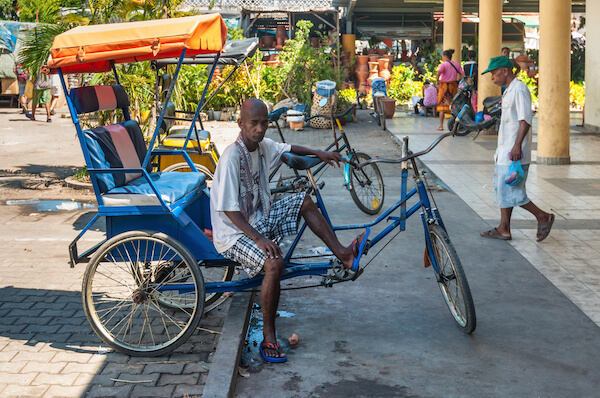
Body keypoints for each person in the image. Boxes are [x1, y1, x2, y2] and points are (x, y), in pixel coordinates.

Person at [210, 98, 369, 362]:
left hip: (256, 219)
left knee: (304, 200)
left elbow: (290, 146)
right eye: (253, 123)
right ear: (240, 124)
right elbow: (228, 209)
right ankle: (269, 336)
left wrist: (320, 153)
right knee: (274, 263)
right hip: (233, 233)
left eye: (264, 123)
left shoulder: (262, 147)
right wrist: (259, 239)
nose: (260, 129)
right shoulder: (231, 158)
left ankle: (344, 254)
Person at [480, 56, 554, 242]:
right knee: (503, 190)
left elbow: (525, 119)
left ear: (505, 71)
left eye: (494, 73)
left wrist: (516, 145)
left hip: (514, 153)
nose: (492, 77)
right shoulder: (508, 91)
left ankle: (543, 216)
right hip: (505, 151)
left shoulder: (519, 89)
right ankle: (504, 228)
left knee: (514, 192)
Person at [435, 49, 464, 130]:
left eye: (443, 56)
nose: (442, 58)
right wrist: (458, 81)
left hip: (444, 86)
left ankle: (441, 126)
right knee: (454, 105)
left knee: (442, 107)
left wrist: (437, 81)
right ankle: (455, 125)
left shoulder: (443, 65)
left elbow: (438, 73)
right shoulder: (457, 64)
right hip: (453, 86)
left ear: (446, 56)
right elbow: (463, 74)